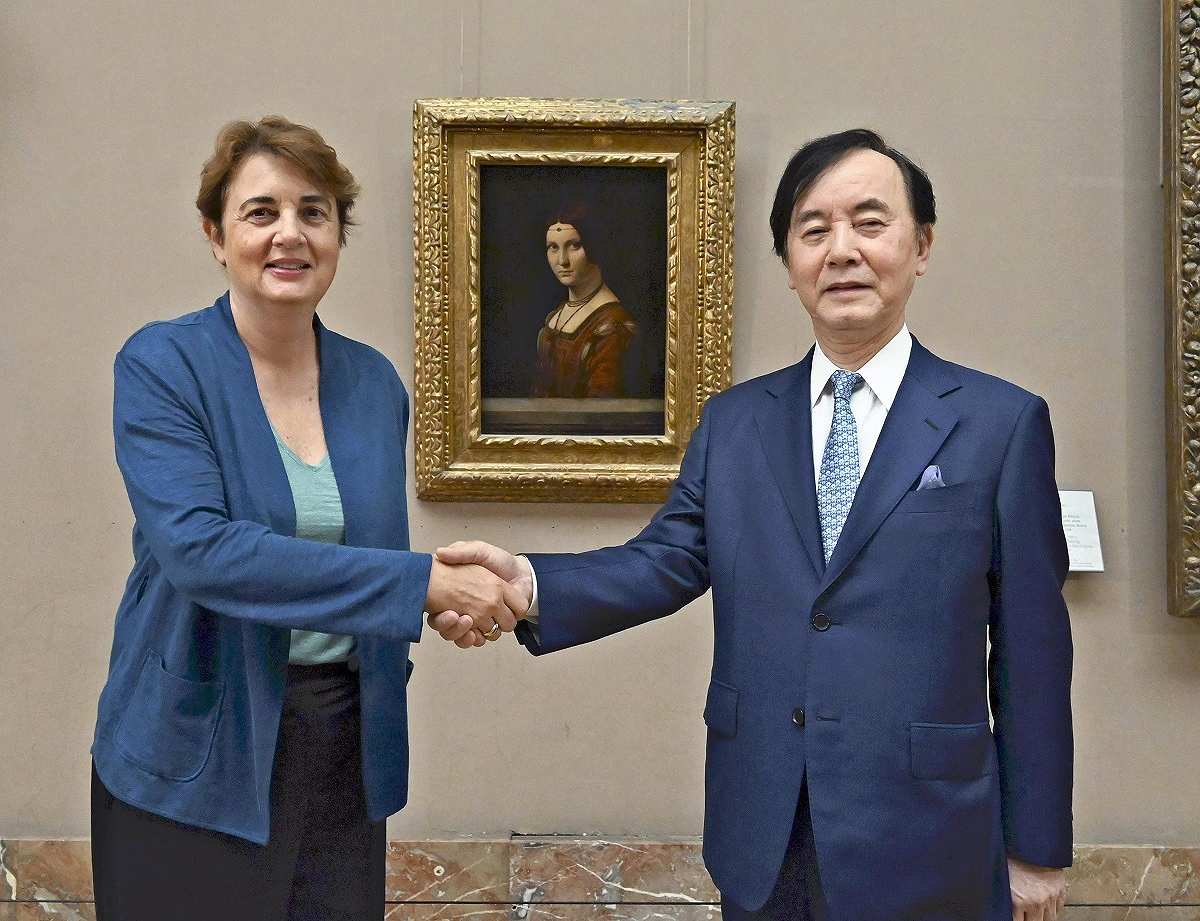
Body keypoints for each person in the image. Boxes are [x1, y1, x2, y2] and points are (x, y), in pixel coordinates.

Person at [432, 129, 1073, 920]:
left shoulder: (999, 424)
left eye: (870, 223)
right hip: (768, 831)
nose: (842, 250)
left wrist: (1035, 847)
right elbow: (664, 559)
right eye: (814, 229)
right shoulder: (736, 423)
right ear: (790, 261)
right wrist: (528, 583)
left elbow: (1034, 653)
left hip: (930, 836)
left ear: (922, 245)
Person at [89, 116, 523, 921]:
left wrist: (449, 600)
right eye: (261, 212)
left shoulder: (374, 383)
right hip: (196, 751)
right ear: (216, 235)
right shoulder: (163, 365)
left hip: (343, 753)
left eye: (313, 212)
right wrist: (424, 584)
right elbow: (203, 552)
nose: (290, 233)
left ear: (336, 236)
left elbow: (361, 561)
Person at [533, 205, 638, 398]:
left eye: (574, 245)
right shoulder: (555, 316)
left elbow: (601, 408)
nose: (562, 260)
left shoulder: (613, 326)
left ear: (594, 245)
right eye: (553, 247)